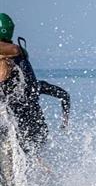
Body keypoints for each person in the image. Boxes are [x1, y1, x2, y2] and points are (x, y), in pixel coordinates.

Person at [0, 13, 58, 153]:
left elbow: (13, 50)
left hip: (23, 127)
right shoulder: (19, 57)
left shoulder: (11, 55)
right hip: (32, 126)